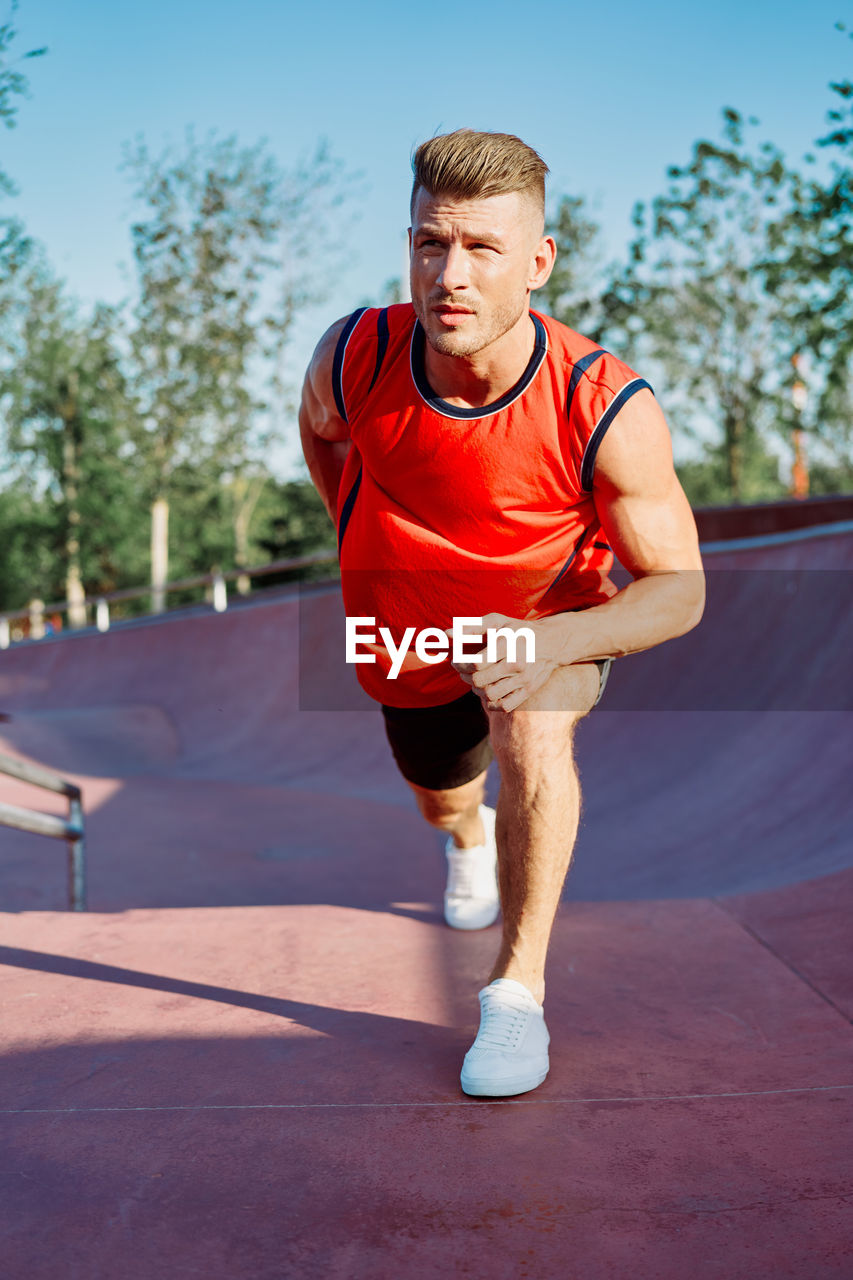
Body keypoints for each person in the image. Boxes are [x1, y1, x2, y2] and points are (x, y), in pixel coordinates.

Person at [299, 129, 705, 1098]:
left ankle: (515, 993)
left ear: (538, 261)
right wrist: (364, 541)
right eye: (430, 243)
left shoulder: (602, 403)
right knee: (440, 791)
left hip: (547, 613)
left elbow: (680, 586)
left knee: (533, 723)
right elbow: (320, 431)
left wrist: (553, 638)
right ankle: (468, 835)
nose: (450, 273)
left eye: (482, 248)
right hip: (409, 626)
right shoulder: (357, 354)